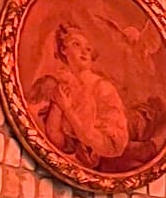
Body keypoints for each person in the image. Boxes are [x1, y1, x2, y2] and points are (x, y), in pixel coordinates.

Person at [30, 23, 132, 167]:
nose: (84, 51)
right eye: (76, 44)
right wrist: (58, 106)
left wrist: (67, 109)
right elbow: (57, 139)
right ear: (63, 49)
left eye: (88, 49)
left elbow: (111, 145)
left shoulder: (103, 88)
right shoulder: (63, 86)